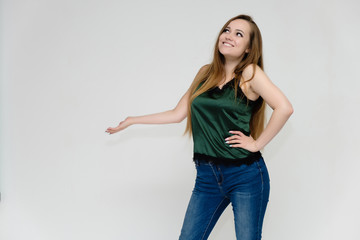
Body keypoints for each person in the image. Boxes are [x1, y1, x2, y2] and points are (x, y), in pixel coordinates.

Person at [106, 14, 293, 240]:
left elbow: (284, 108)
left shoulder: (250, 73)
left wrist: (256, 144)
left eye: (239, 34)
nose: (229, 36)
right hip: (207, 177)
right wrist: (133, 120)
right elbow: (177, 114)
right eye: (227, 30)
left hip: (245, 175)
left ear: (248, 48)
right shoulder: (205, 73)